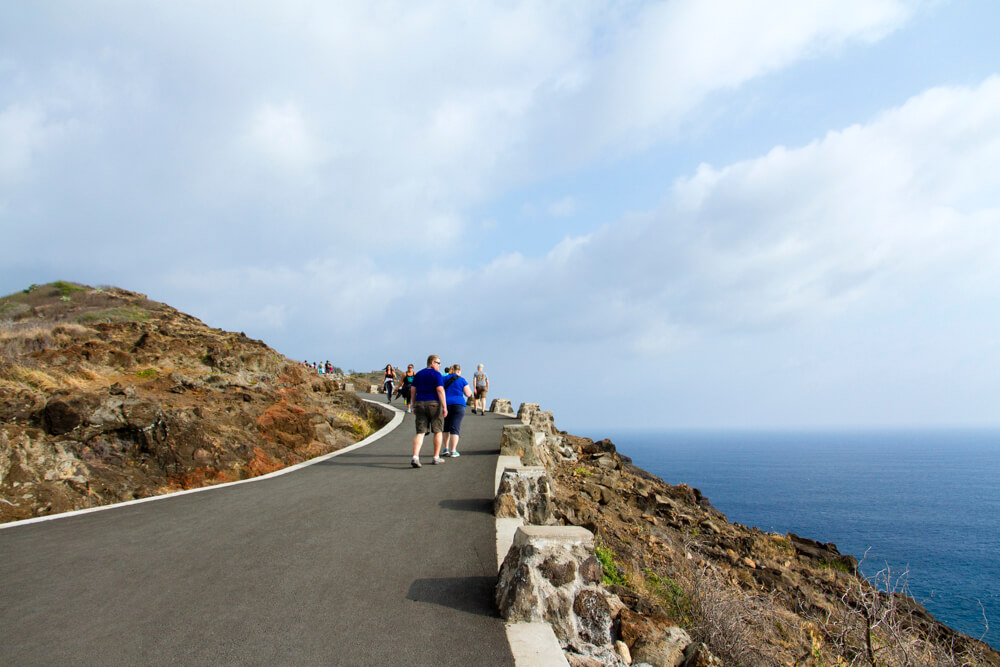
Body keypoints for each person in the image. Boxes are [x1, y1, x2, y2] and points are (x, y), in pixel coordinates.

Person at [410, 355, 447, 467]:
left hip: (420, 403)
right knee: (437, 430)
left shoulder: (419, 374)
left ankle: (415, 457)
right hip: (434, 404)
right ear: (431, 362)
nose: (439, 365)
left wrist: (414, 404)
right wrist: (445, 407)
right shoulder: (436, 374)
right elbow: (440, 390)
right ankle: (436, 457)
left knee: (420, 432)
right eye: (438, 363)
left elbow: (413, 389)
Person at [441, 364, 474, 457]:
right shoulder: (462, 379)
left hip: (446, 404)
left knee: (446, 427)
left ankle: (445, 448)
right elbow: (468, 394)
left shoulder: (444, 378)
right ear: (459, 371)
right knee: (455, 427)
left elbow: (440, 389)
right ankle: (453, 450)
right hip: (458, 404)